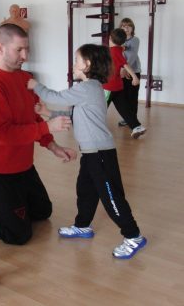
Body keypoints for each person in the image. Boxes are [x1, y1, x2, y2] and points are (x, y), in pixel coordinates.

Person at [27, 43, 147, 259]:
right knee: (86, 190)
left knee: (111, 197)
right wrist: (48, 113)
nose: (74, 64)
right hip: (91, 153)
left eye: (77, 60)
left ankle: (133, 235)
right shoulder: (89, 89)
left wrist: (36, 85)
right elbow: (75, 117)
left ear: (88, 64)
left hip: (100, 154)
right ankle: (82, 225)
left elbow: (55, 96)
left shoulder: (87, 88)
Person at [0, 23, 77, 245]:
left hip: (23, 165)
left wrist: (54, 146)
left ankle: (8, 207)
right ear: (1, 48)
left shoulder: (25, 78)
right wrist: (48, 128)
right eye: (19, 50)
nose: (25, 55)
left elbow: (35, 117)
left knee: (43, 212)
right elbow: (4, 134)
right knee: (18, 235)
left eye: (27, 49)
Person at [103, 28, 146, 139]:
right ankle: (137, 126)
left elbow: (125, 64)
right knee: (124, 108)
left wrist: (135, 77)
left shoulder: (113, 52)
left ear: (110, 39)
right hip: (118, 86)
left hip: (109, 87)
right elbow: (123, 59)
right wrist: (135, 77)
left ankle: (95, 126)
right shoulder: (118, 50)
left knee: (100, 107)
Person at [118, 18, 142, 127]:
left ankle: (133, 120)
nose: (126, 28)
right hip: (121, 72)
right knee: (123, 97)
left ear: (132, 28)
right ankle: (126, 118)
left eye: (128, 26)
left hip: (133, 72)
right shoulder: (118, 41)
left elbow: (131, 57)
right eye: (123, 26)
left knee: (132, 96)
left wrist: (124, 69)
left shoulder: (135, 40)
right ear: (120, 28)